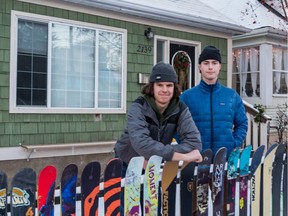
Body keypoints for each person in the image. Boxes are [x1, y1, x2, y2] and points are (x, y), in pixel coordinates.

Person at [115, 62, 202, 215]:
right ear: (152, 87)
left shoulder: (180, 109)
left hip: (153, 164)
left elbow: (194, 141)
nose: (164, 90)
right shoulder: (139, 107)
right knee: (128, 210)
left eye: (169, 85)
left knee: (153, 208)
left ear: (174, 87)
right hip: (129, 163)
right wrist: (183, 156)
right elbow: (141, 144)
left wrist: (160, 155)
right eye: (160, 85)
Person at [180, 45, 248, 155]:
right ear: (199, 67)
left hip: (224, 160)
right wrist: (186, 148)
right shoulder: (187, 97)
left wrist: (234, 143)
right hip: (196, 161)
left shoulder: (232, 96)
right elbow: (176, 125)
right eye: (206, 63)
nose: (210, 67)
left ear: (220, 66)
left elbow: (242, 124)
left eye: (214, 63)